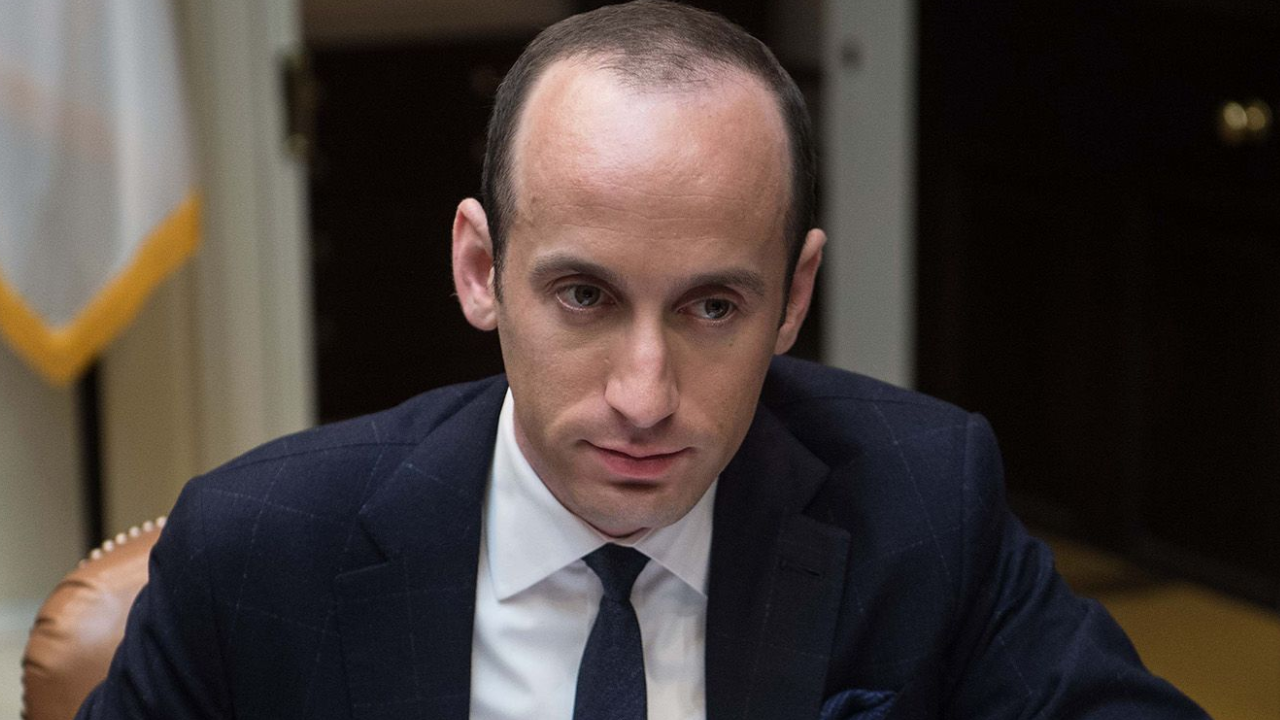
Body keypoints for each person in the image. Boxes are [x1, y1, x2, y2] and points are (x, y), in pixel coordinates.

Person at [79, 2, 1208, 718]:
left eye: (713, 306)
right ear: (479, 269)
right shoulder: (257, 551)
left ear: (793, 297)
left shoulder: (923, 501)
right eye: (584, 296)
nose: (644, 395)